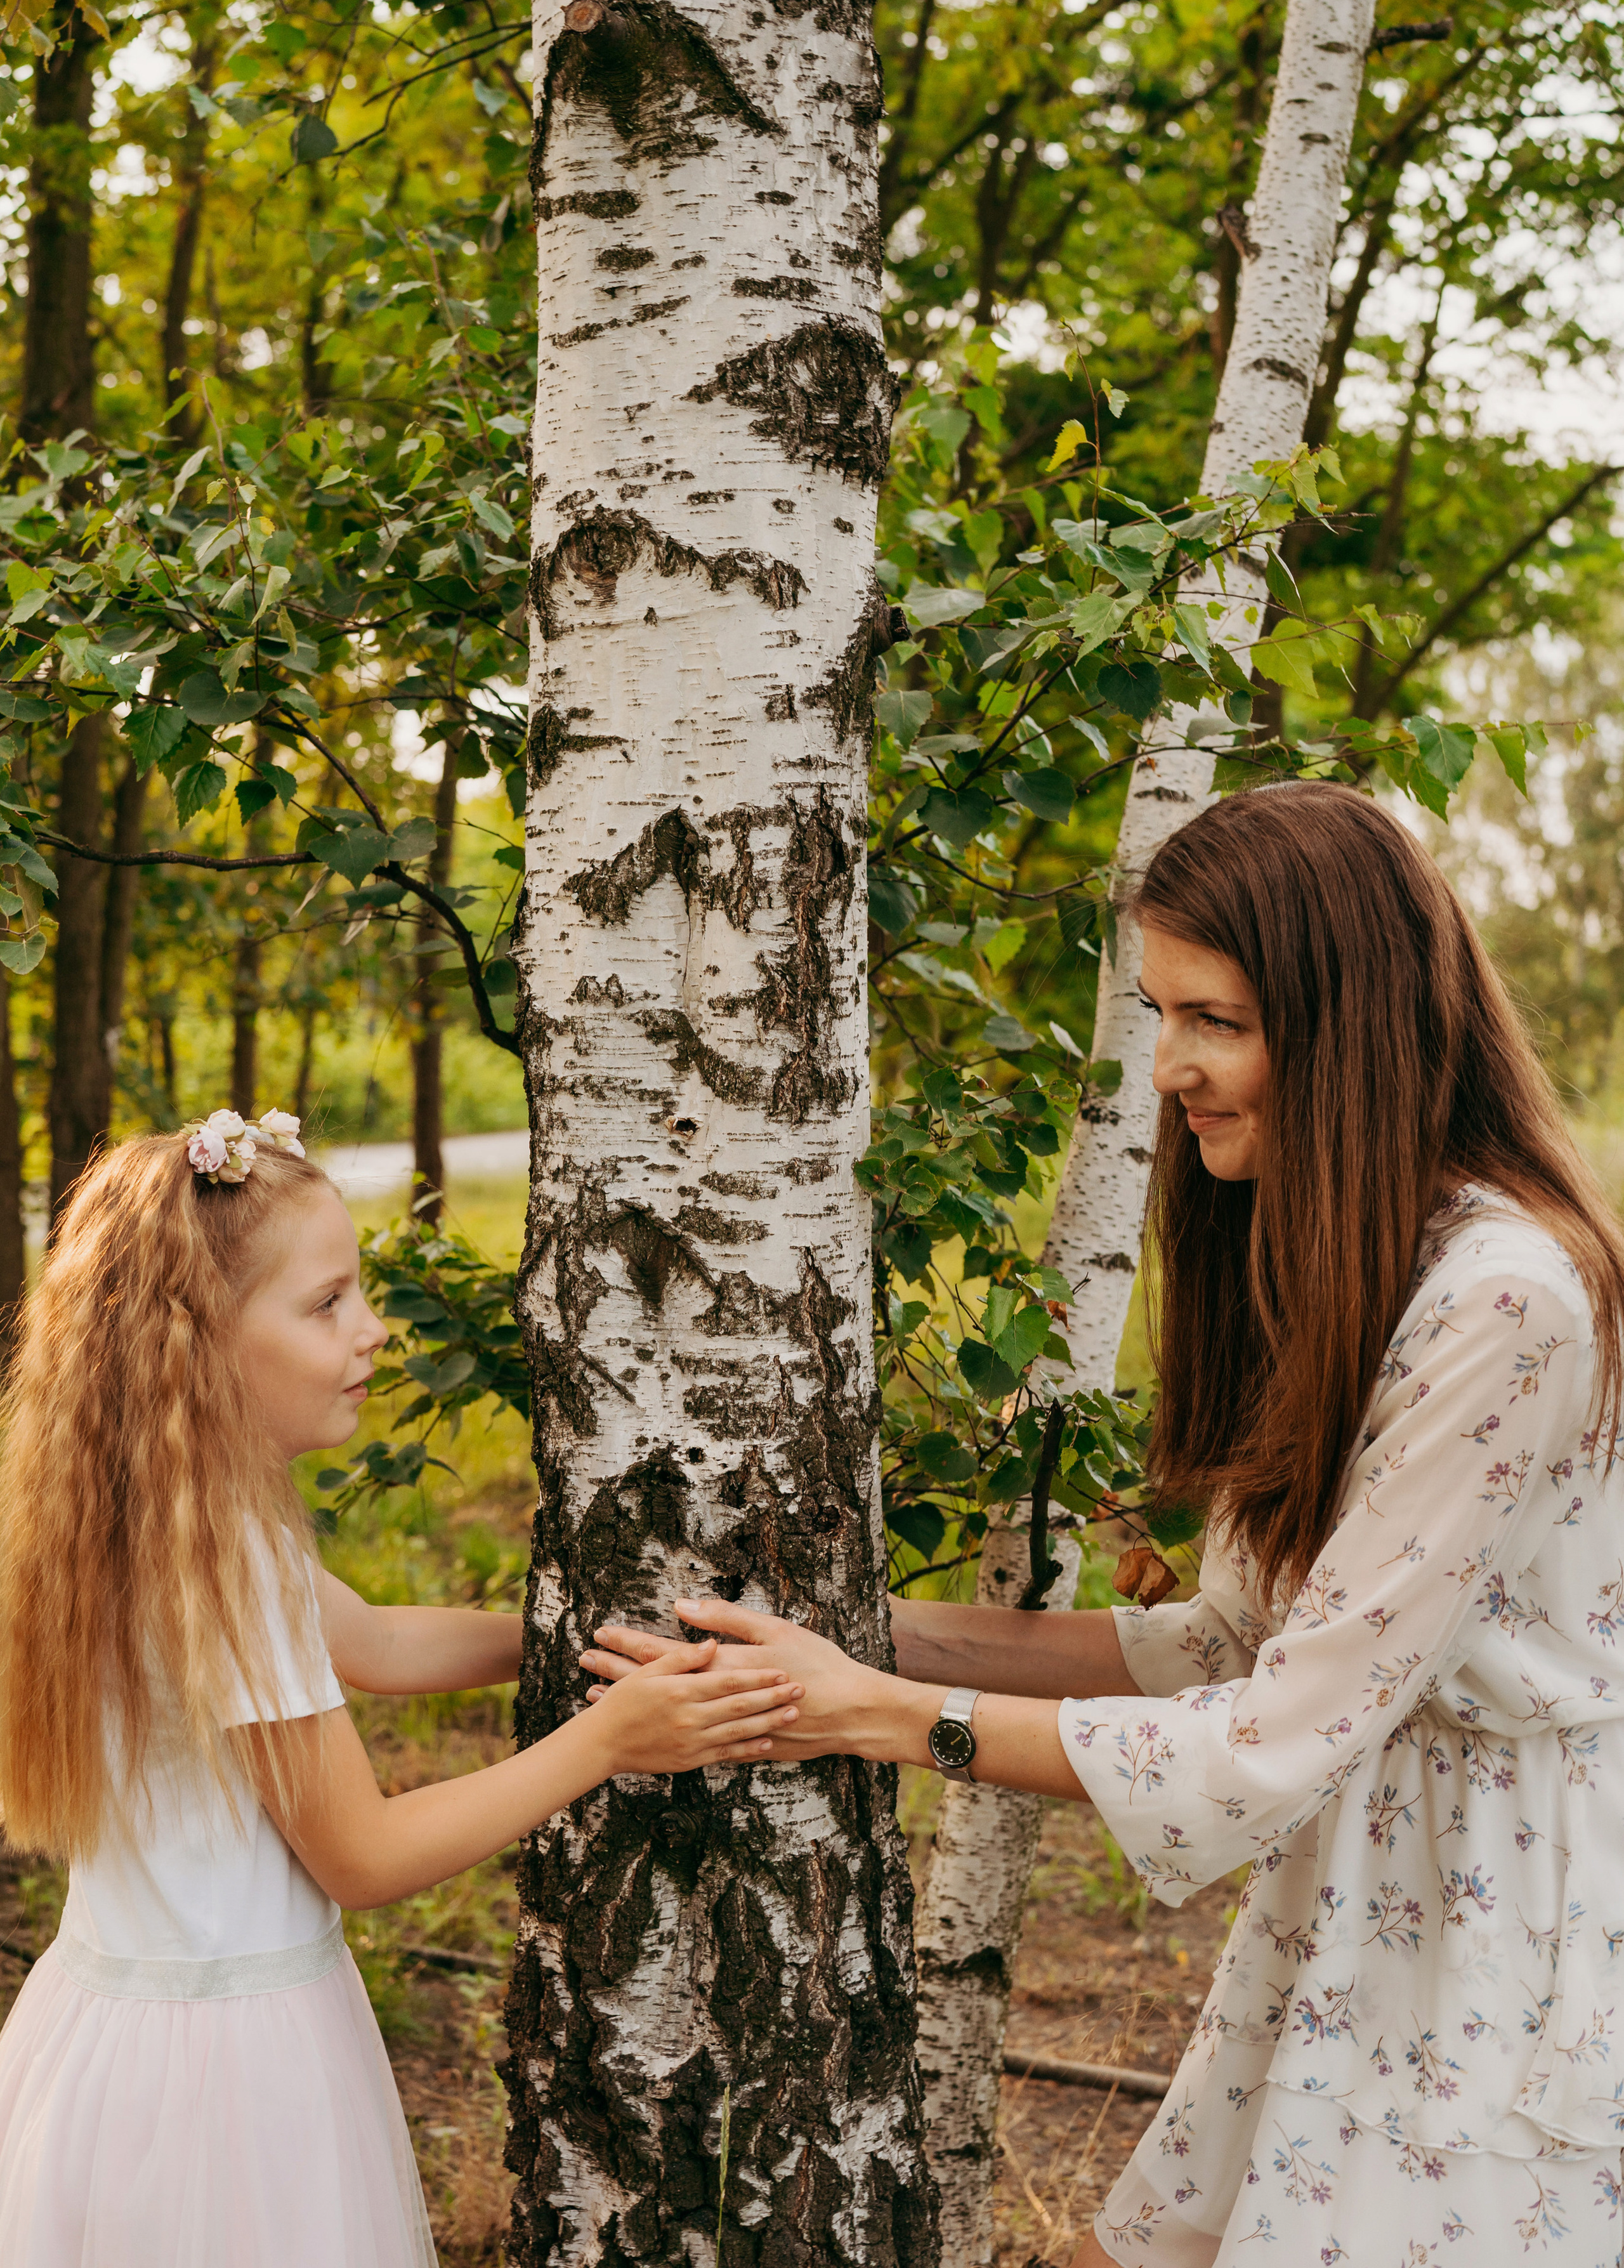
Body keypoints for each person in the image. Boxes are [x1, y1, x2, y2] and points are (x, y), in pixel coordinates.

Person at [586, 783, 1624, 2267]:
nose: (1172, 1070)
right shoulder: (1340, 1252)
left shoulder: (1502, 1302)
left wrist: (881, 1716)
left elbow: (1271, 1734)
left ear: (1351, 1024)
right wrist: (842, 1642)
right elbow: (1216, 1643)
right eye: (1158, 1015)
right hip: (1362, 1902)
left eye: (1217, 1020)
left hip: (1497, 1923)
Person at [0, 1113, 804, 2268]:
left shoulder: (150, 1517)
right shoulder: (228, 1556)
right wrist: (613, 1738)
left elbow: (375, 1642)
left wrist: (570, 1636)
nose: (373, 1333)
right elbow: (363, 1857)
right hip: (225, 2081)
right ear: (198, 1343)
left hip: (107, 2037)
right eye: (326, 1305)